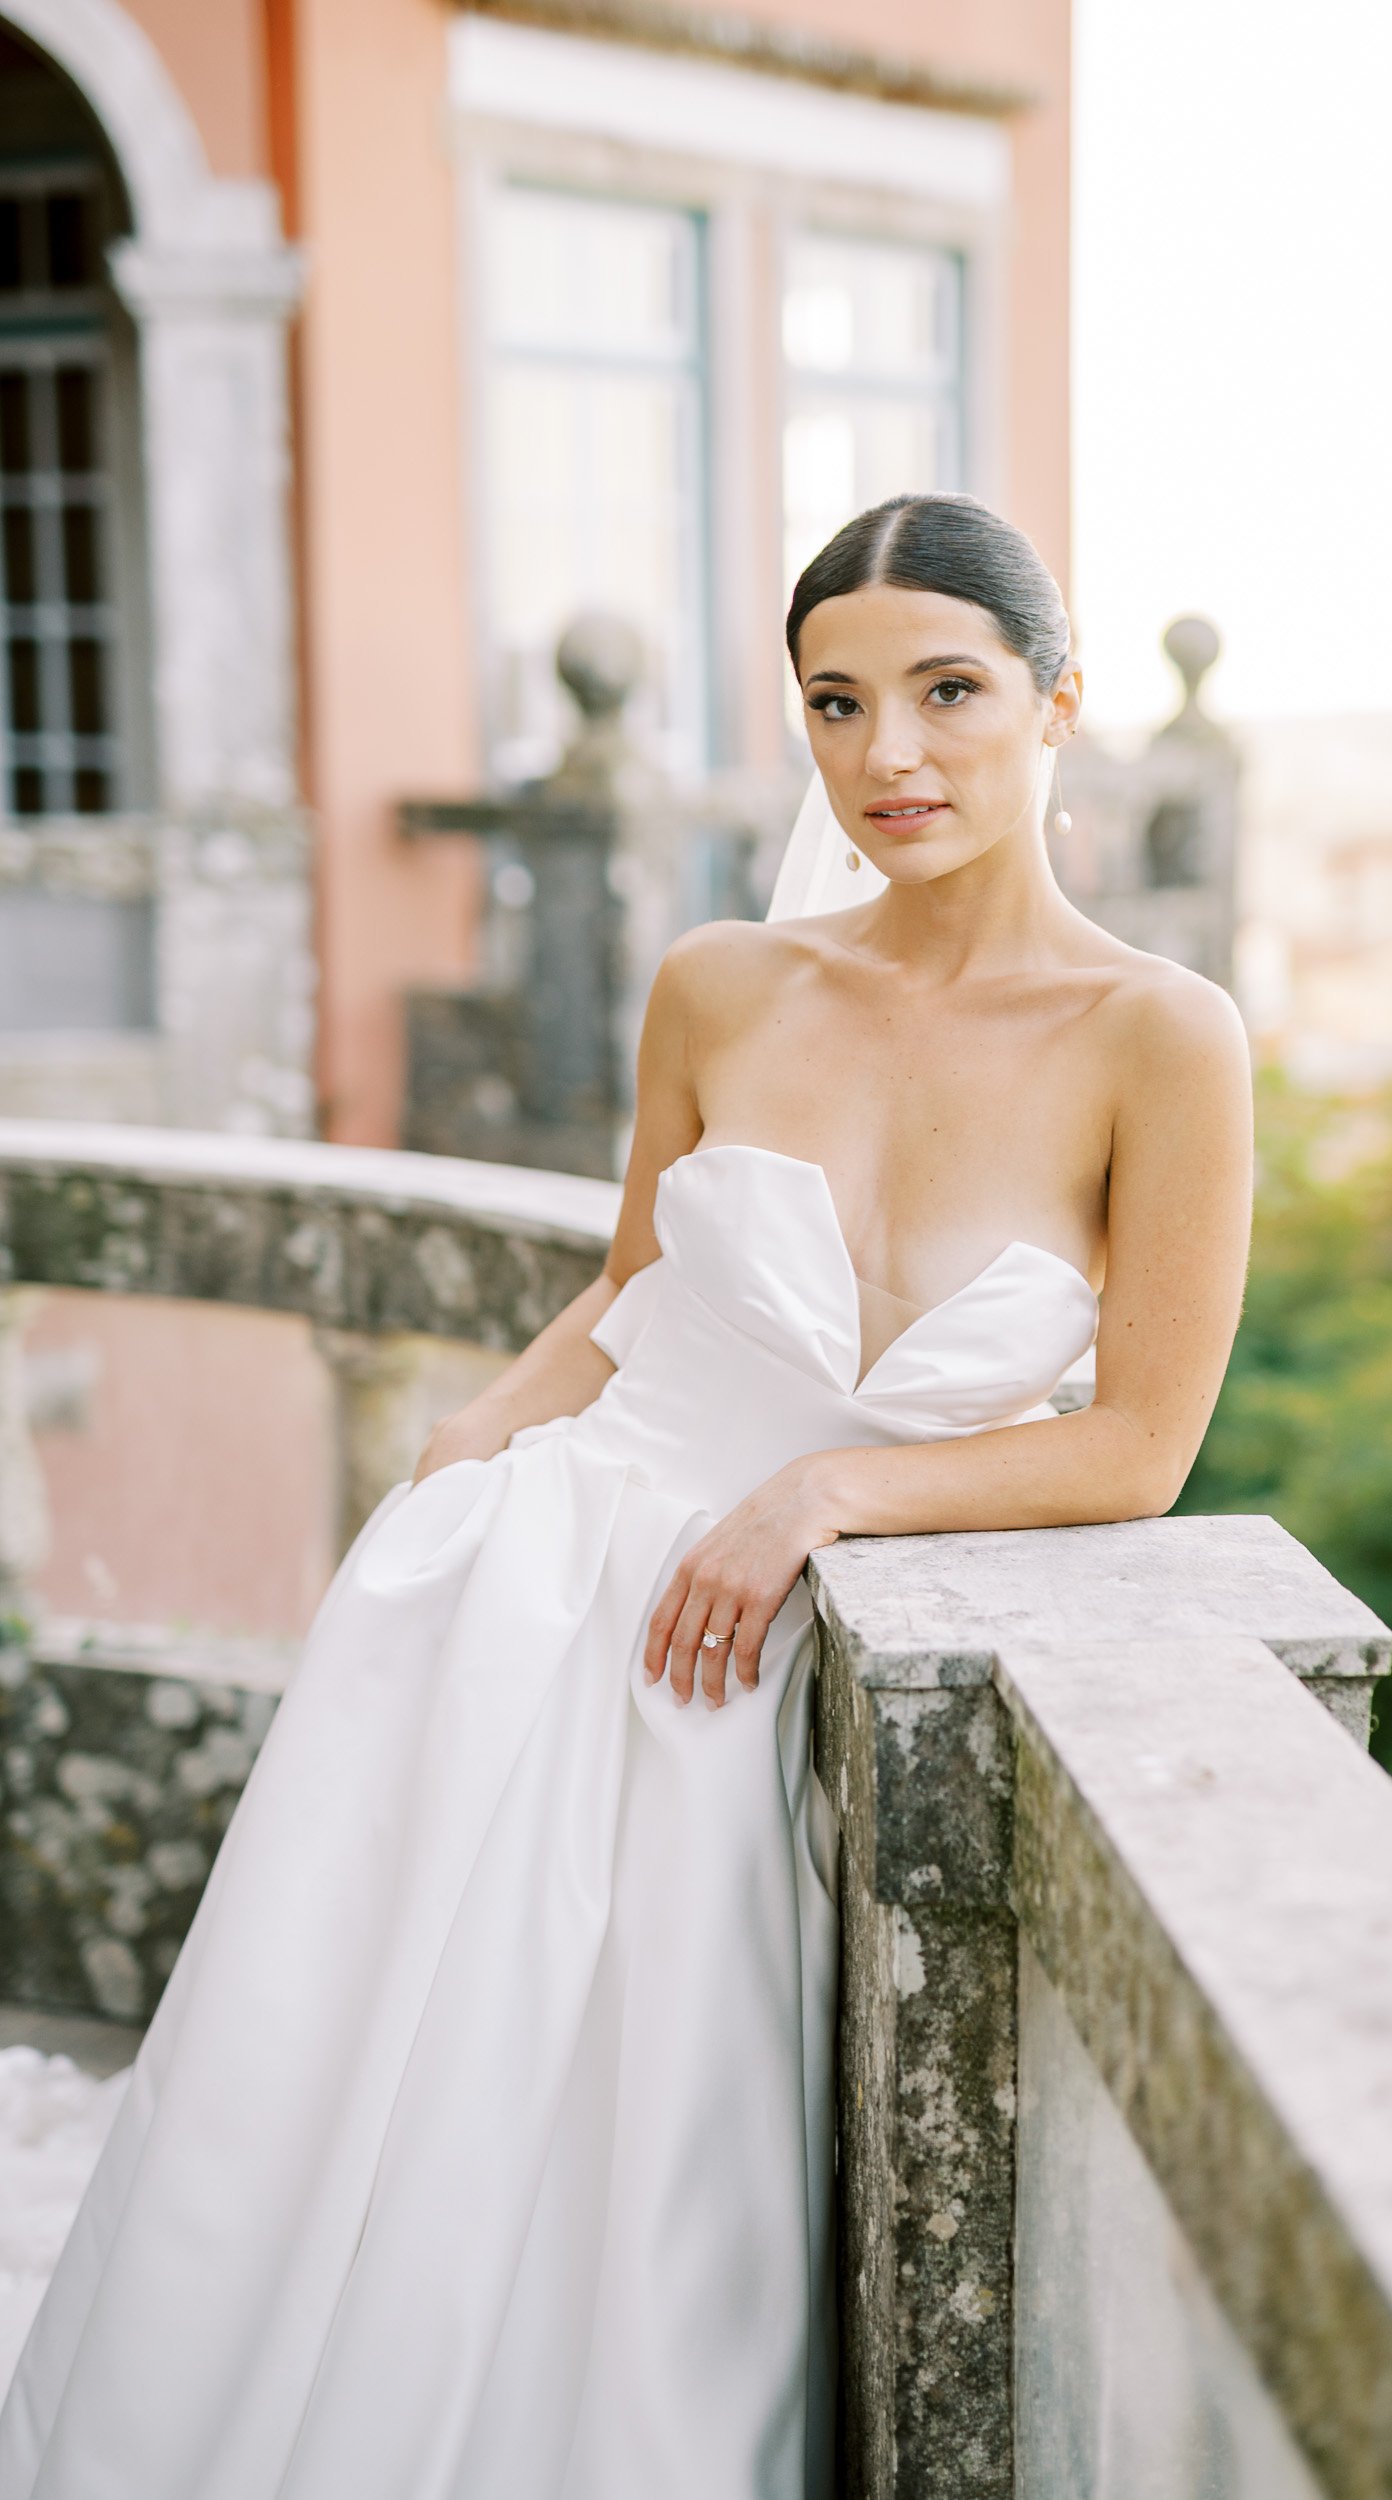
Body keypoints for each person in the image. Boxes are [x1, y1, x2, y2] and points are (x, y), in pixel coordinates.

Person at [0, 493, 1251, 2500]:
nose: (889, 754)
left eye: (948, 690)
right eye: (835, 703)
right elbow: (631, 1278)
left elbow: (1140, 1446)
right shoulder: (719, 982)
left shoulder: (1160, 1038)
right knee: (358, 2115)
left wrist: (830, 1487)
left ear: (1059, 701)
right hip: (538, 1585)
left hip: (742, 1645)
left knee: (646, 2186)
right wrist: (466, 1440)